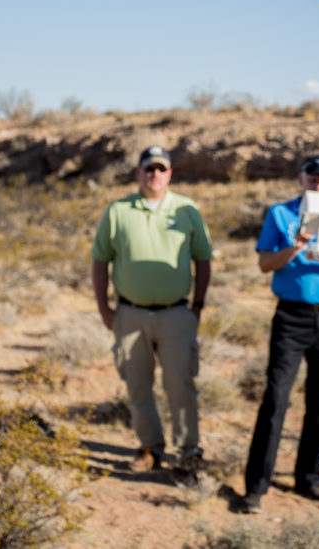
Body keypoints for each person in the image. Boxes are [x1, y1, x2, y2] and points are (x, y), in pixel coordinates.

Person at [242, 154, 319, 513]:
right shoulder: (281, 214)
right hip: (291, 317)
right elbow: (265, 263)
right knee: (276, 398)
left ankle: (308, 477)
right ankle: (256, 485)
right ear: (302, 179)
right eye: (313, 178)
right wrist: (295, 245)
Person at [91, 146, 213, 473]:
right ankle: (150, 448)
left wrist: (198, 305)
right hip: (130, 314)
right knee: (138, 386)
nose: (154, 175)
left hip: (176, 314)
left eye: (161, 169)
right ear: (138, 172)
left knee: (180, 384)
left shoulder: (187, 210)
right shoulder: (118, 211)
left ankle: (189, 451)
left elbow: (203, 258)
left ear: (170, 173)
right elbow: (100, 259)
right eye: (149, 169)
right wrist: (104, 307)